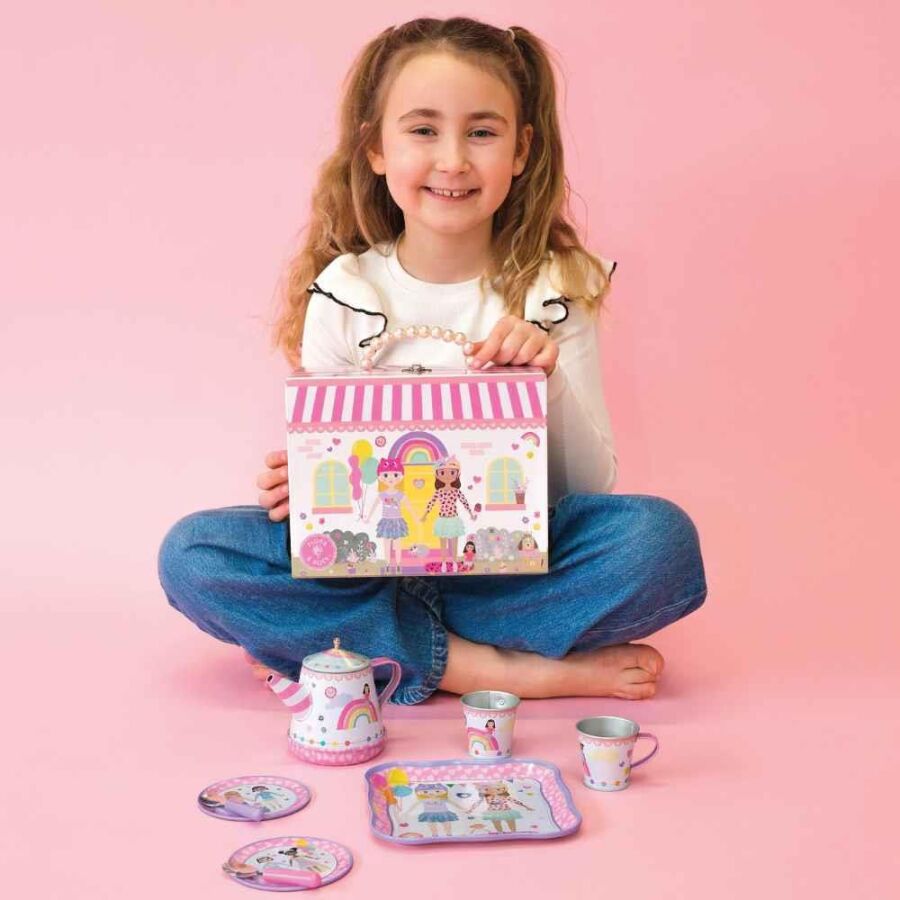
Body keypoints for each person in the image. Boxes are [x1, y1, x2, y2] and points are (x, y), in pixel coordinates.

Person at [158, 17, 708, 705]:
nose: (452, 160)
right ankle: (495, 670)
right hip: (371, 566)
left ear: (521, 150)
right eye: (423, 130)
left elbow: (590, 485)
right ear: (376, 148)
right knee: (194, 555)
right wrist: (302, 484)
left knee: (658, 541)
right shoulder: (345, 291)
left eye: (481, 132)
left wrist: (547, 383)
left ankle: (366, 646)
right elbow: (335, 507)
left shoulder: (559, 287)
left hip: (510, 566)